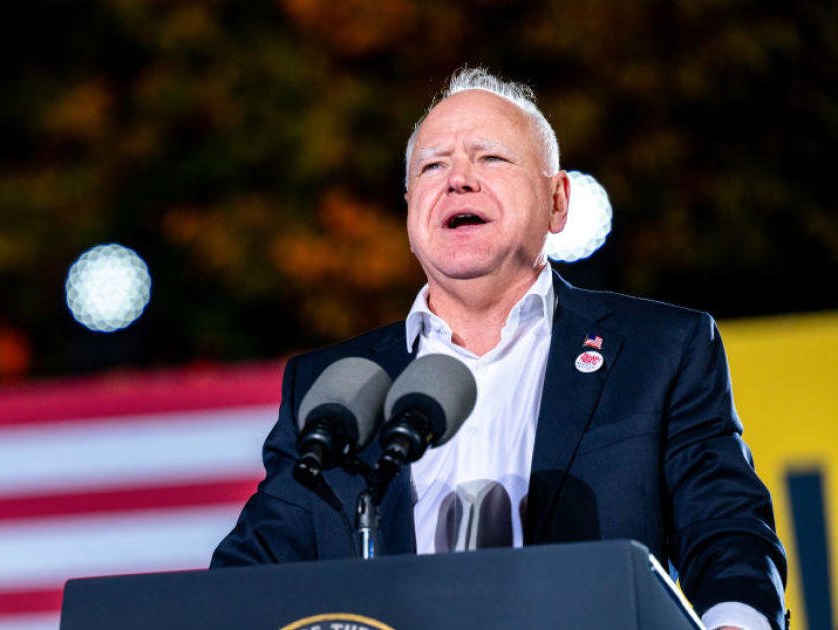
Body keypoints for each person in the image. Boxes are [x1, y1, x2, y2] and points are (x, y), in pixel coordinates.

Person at [210, 68, 787, 630]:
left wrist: (735, 623)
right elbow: (245, 580)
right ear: (410, 210)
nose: (457, 179)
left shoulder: (660, 352)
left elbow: (725, 527)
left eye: (490, 158)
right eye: (433, 166)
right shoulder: (336, 386)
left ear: (557, 201)